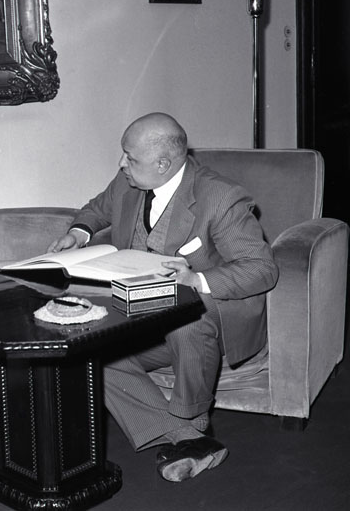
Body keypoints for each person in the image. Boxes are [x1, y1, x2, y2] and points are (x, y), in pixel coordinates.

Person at [48, 112, 279, 482]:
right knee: (89, 350)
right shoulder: (128, 181)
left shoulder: (220, 197)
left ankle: (193, 421)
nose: (121, 163)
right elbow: (97, 208)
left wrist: (197, 279)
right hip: (140, 314)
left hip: (211, 316)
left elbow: (261, 268)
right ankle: (189, 439)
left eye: (130, 158)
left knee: (185, 320)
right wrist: (79, 232)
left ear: (162, 164)